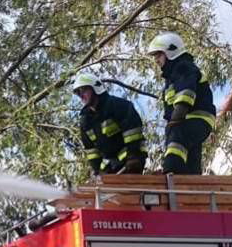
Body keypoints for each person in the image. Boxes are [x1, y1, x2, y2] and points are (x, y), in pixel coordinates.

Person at [147, 32, 216, 175]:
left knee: (177, 134)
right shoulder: (171, 77)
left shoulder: (183, 67)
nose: (156, 60)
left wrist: (174, 122)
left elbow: (185, 96)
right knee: (191, 151)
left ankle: (171, 172)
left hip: (197, 118)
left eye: (158, 55)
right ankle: (191, 181)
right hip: (192, 120)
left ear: (170, 52)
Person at [73, 72, 148, 177]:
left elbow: (133, 134)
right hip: (109, 167)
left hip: (131, 161)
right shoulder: (86, 121)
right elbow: (91, 151)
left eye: (83, 90)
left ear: (95, 88)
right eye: (77, 92)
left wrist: (133, 157)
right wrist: (96, 171)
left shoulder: (118, 106)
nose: (80, 95)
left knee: (127, 189)